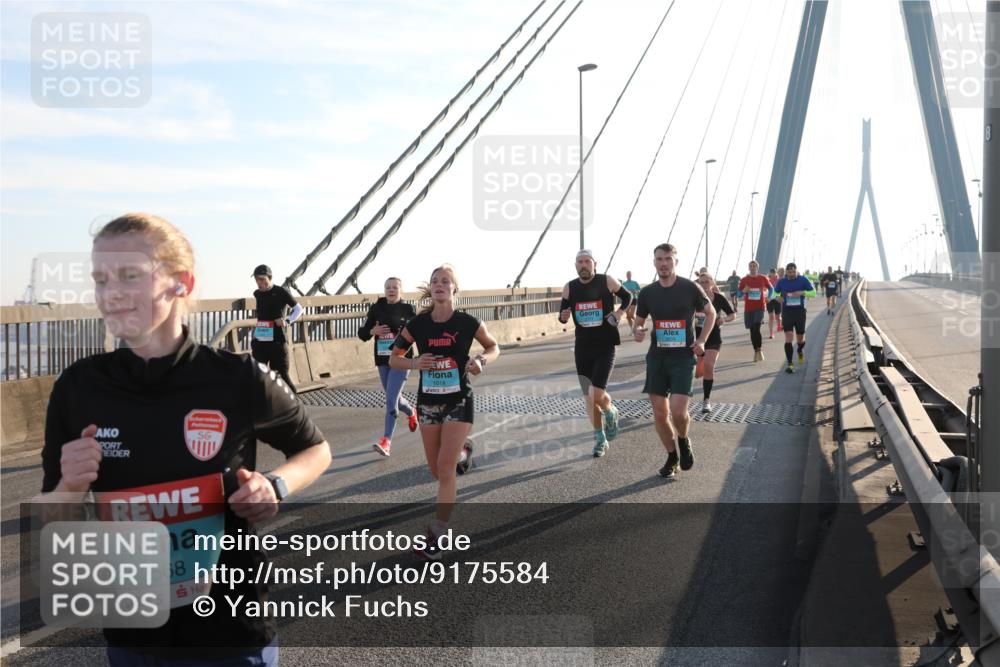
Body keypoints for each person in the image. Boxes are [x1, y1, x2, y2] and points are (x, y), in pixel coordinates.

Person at [41, 213, 332, 665]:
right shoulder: (78, 388)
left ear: (182, 283)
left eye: (130, 275)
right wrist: (69, 488)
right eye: (100, 279)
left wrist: (275, 485)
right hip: (134, 632)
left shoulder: (238, 378)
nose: (110, 293)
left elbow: (315, 449)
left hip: (232, 631)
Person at [390, 265, 500, 560]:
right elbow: (394, 358)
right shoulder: (418, 324)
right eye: (435, 281)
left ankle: (439, 534)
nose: (439, 285)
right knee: (435, 469)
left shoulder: (466, 322)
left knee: (445, 467)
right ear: (432, 289)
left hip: (459, 400)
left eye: (446, 281)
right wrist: (414, 364)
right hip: (428, 403)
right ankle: (463, 451)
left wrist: (481, 361)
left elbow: (493, 347)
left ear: (455, 290)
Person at [634, 243, 714, 477]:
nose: (663, 263)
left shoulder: (690, 288)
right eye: (659, 259)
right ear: (654, 262)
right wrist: (637, 330)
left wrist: (701, 341)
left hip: (682, 358)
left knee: (678, 413)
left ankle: (683, 439)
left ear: (675, 262)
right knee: (660, 413)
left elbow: (711, 314)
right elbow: (638, 322)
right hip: (657, 358)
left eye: (668, 259)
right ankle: (671, 457)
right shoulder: (648, 292)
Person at [557, 249, 631, 458]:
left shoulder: (606, 281)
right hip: (583, 347)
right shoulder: (569, 288)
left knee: (596, 394)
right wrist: (562, 316)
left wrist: (618, 313)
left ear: (594, 264)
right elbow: (563, 316)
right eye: (579, 261)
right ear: (575, 265)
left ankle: (610, 411)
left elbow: (628, 296)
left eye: (587, 261)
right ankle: (600, 439)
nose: (583, 265)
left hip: (606, 344)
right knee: (589, 399)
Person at [358, 277, 418, 456]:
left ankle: (386, 441)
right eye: (388, 288)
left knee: (391, 399)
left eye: (395, 288)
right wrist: (372, 331)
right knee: (396, 398)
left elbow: (417, 333)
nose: (391, 290)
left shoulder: (408, 309)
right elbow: (362, 333)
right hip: (383, 359)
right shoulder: (377, 308)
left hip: (401, 359)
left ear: (401, 291)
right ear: (384, 290)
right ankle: (411, 411)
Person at [251, 264, 303, 393]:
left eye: (262, 279)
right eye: (257, 279)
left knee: (281, 377)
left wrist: (287, 321)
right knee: (257, 375)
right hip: (260, 342)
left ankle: (295, 405)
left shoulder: (280, 292)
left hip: (277, 342)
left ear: (270, 277)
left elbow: (298, 309)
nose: (259, 283)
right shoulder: (257, 294)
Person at [694, 272, 735, 413]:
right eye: (701, 282)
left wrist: (724, 319)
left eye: (706, 282)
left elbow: (732, 314)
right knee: (698, 370)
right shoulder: (693, 299)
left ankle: (706, 400)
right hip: (696, 339)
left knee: (709, 366)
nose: (704, 284)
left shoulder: (719, 298)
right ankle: (699, 362)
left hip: (713, 339)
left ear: (712, 283)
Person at [774, 262, 815, 374]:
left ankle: (800, 350)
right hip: (787, 312)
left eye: (793, 272)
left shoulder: (803, 280)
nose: (791, 274)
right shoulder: (782, 281)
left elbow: (813, 293)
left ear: (796, 271)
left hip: (800, 312)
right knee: (789, 337)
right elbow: (774, 293)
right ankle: (790, 364)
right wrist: (778, 298)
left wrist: (803, 292)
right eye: (789, 272)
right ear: (786, 272)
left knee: (800, 338)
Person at [738, 260, 772, 361]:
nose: (753, 268)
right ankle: (756, 351)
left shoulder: (763, 278)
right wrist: (744, 291)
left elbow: (771, 289)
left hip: (760, 307)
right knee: (752, 330)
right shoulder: (744, 280)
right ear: (749, 268)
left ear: (757, 268)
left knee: (757, 328)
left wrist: (769, 297)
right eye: (751, 266)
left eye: (754, 266)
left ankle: (759, 349)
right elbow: (739, 294)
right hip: (748, 308)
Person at [767, 268, 783, 338]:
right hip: (770, 300)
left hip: (777, 300)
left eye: (774, 273)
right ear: (770, 273)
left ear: (776, 273)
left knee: (778, 317)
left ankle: (779, 325)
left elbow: (783, 289)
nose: (772, 274)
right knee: (771, 317)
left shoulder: (780, 280)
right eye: (771, 273)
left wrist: (782, 297)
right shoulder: (767, 280)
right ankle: (771, 333)